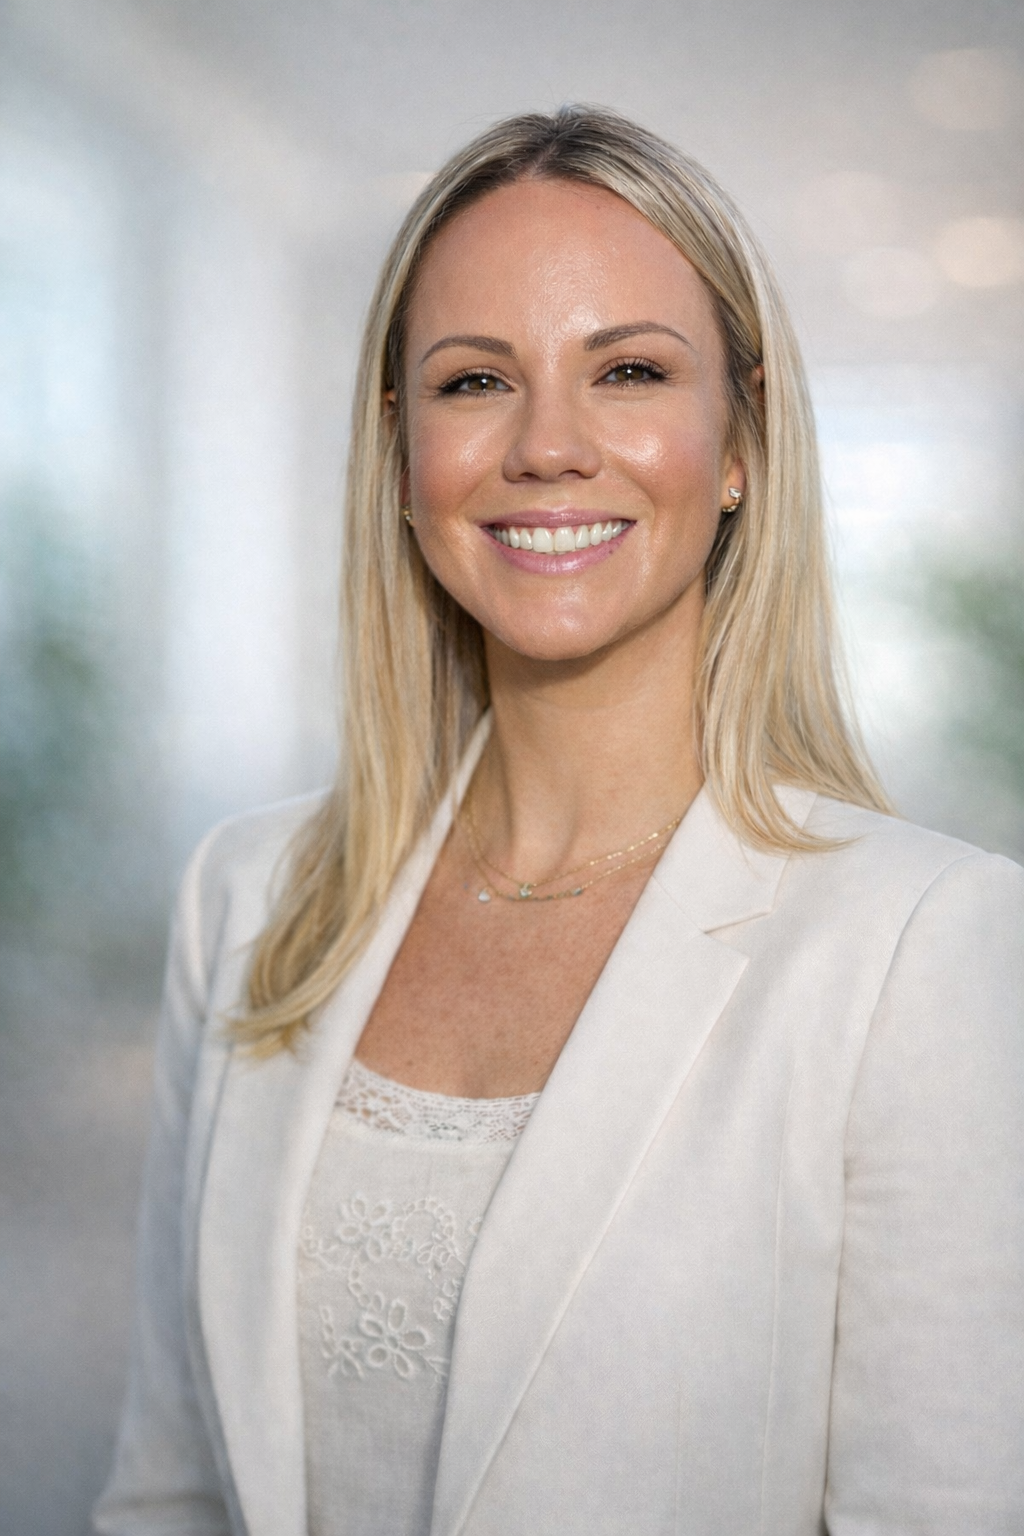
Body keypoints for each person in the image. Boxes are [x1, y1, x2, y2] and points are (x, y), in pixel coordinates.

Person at [93, 106, 1023, 1536]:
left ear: (740, 444)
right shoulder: (252, 895)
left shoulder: (924, 945)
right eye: (475, 381)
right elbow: (169, 1491)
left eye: (631, 370)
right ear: (402, 455)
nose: (547, 448)